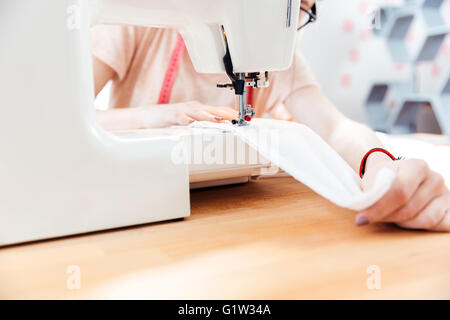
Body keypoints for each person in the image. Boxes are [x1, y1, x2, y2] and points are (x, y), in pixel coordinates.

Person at [91, 0, 449, 232]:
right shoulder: (134, 26)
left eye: (299, 13)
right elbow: (58, 122)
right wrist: (153, 117)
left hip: (231, 216)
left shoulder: (277, 57)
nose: (288, 28)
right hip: (132, 213)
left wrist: (381, 166)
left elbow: (336, 128)